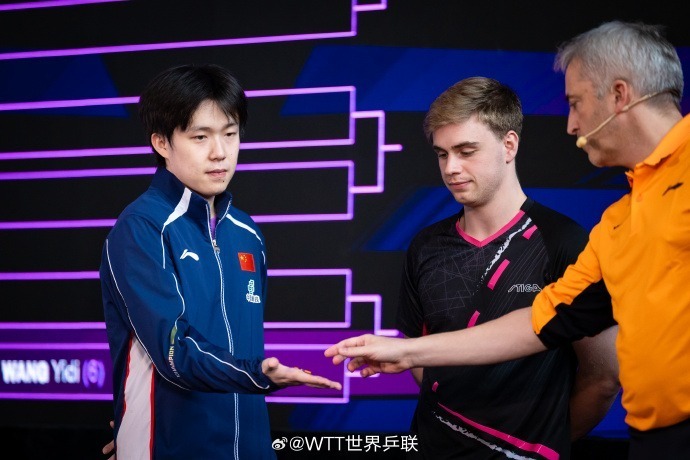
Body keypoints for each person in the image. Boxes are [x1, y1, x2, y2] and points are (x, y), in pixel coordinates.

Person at [325, 20, 689, 459]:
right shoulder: (620, 220)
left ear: (619, 95)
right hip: (657, 439)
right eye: (443, 154)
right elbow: (544, 320)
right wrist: (408, 352)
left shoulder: (577, 232)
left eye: (575, 103)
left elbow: (600, 376)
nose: (571, 124)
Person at [100, 63, 341, 460]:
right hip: (169, 449)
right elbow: (174, 353)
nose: (220, 152)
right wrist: (258, 374)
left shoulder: (247, 232)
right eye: (200, 137)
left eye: (230, 134)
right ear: (161, 143)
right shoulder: (142, 228)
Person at [392, 76, 619, 459]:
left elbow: (603, 377)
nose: (451, 168)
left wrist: (540, 445)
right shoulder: (425, 246)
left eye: (466, 151)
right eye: (442, 154)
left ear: (509, 144)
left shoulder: (565, 242)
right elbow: (420, 358)